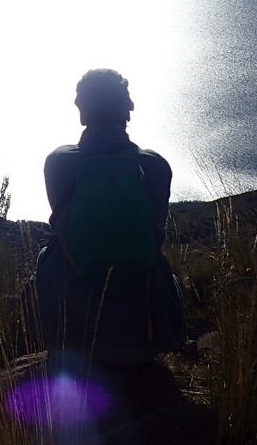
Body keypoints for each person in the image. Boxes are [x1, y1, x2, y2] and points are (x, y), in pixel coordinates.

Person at [32, 68, 186, 365]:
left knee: (47, 254)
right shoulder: (156, 167)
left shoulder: (58, 163)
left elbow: (65, 226)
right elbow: (155, 230)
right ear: (128, 110)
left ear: (82, 111)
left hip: (72, 338)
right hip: (143, 337)